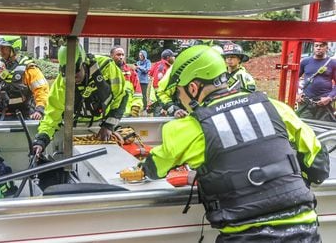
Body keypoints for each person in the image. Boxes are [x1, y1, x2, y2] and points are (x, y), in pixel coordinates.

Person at [139, 45, 329, 242]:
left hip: (243, 236)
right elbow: (319, 166)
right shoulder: (276, 107)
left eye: (179, 93)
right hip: (304, 232)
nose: (180, 99)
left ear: (193, 88)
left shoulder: (189, 128)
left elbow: (154, 169)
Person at [32, 44, 127, 154]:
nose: (73, 78)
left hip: (102, 126)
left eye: (76, 74)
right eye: (68, 75)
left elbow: (121, 96)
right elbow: (52, 116)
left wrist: (109, 125)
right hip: (74, 129)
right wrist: (41, 141)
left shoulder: (106, 67)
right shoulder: (61, 84)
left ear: (84, 63)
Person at [0, 35, 49, 121]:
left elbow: (42, 90)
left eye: (3, 47)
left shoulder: (29, 69)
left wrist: (39, 110)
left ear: (13, 49)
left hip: (21, 119)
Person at [297, 41, 336, 122]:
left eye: (321, 46)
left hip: (324, 103)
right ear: (313, 47)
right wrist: (297, 94)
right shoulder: (305, 62)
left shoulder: (333, 63)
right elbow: (294, 79)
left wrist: (329, 98)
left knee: (324, 129)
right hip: (306, 102)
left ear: (327, 48)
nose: (318, 48)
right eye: (316, 46)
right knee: (304, 126)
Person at [110, 46, 143, 117]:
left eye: (122, 55)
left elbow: (137, 93)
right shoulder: (107, 71)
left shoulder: (131, 72)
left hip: (127, 114)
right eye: (118, 55)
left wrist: (136, 107)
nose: (121, 57)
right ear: (111, 56)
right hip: (109, 114)